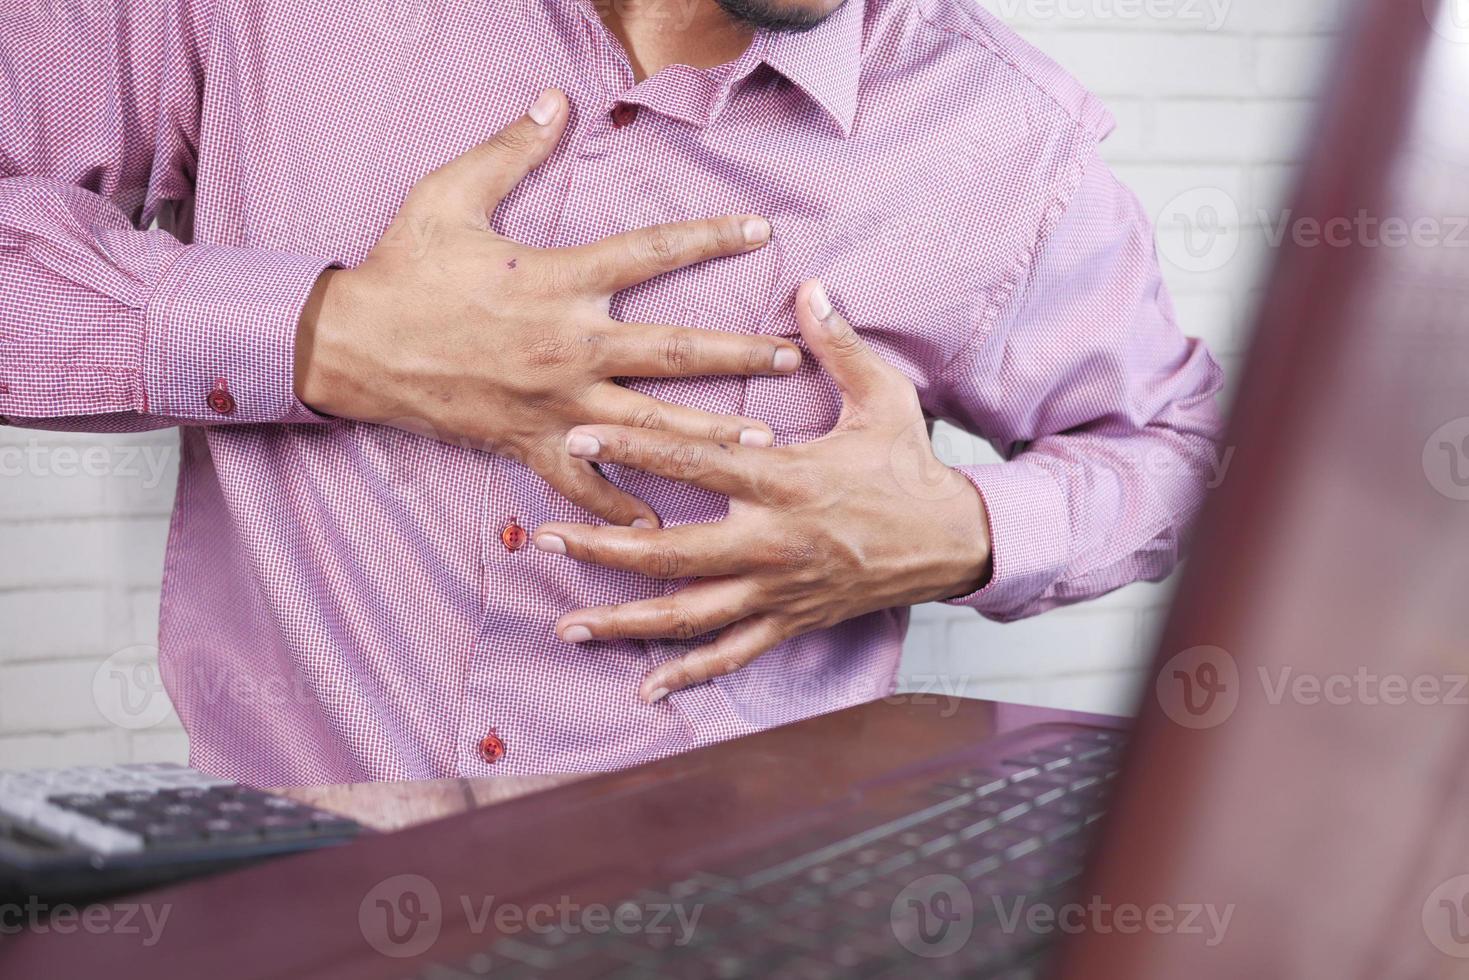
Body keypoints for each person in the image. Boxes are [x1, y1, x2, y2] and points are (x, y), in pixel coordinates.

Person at [0, 0, 1224, 782]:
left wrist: (962, 530)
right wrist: (319, 334)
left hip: (737, 919)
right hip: (279, 899)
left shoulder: (1002, 140)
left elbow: (1183, 447)